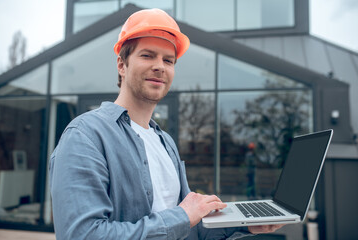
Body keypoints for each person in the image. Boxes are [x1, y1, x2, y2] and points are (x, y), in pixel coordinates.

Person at [49, 8, 283, 240]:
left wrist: (243, 223)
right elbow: (82, 235)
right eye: (147, 55)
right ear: (122, 65)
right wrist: (183, 216)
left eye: (168, 60)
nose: (160, 66)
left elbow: (188, 228)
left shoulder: (165, 142)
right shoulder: (86, 135)